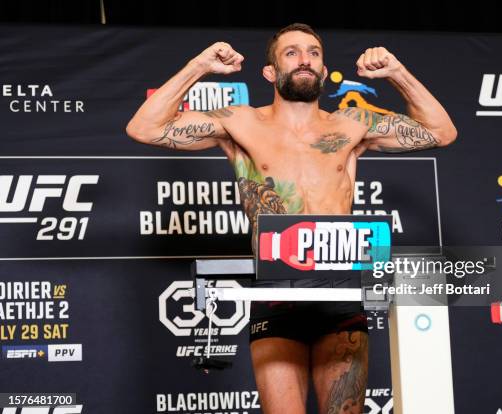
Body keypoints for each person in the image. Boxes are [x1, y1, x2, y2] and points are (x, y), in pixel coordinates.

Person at [126, 23, 457, 414]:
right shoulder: (241, 122)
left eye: (313, 52)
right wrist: (199, 66)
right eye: (292, 52)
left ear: (322, 68)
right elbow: (143, 127)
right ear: (271, 72)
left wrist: (397, 73)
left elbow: (442, 132)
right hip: (275, 290)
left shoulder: (351, 125)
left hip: (341, 289)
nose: (305, 59)